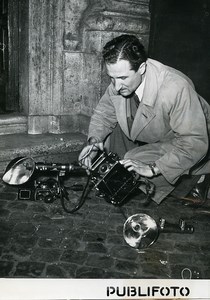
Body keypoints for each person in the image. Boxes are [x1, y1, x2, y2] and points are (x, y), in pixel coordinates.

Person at [79, 34, 210, 204]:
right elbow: (104, 113)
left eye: (123, 78)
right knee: (110, 147)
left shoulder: (175, 87)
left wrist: (153, 168)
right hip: (161, 131)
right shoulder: (121, 79)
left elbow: (194, 142)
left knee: (136, 161)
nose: (116, 87)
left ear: (141, 68)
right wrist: (94, 142)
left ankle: (199, 178)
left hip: (193, 139)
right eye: (112, 78)